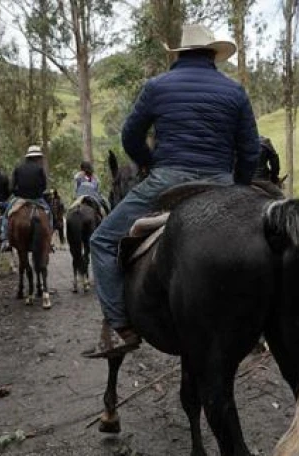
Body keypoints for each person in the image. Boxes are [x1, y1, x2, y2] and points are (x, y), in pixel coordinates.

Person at [83, 24, 260, 358]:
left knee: (102, 241)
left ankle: (121, 327)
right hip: (221, 185)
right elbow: (250, 149)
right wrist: (238, 188)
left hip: (168, 180)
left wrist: (148, 163)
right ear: (212, 54)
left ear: (180, 54)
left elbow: (130, 137)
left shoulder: (157, 86)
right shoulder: (234, 92)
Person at [1, 146, 52, 242]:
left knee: (6, 215)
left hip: (21, 199)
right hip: (37, 199)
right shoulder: (40, 169)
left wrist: (18, 193)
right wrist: (37, 193)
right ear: (37, 157)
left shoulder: (18, 168)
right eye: (39, 157)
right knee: (49, 215)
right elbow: (44, 186)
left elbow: (12, 187)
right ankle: (48, 238)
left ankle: (5, 238)